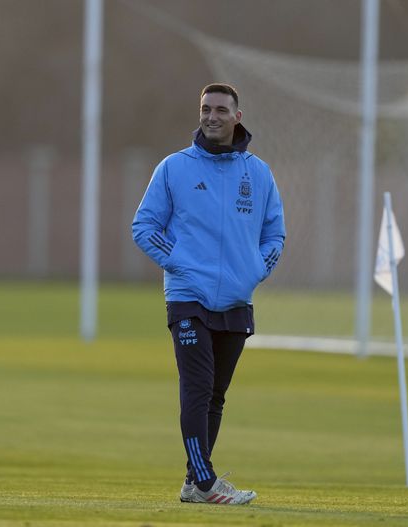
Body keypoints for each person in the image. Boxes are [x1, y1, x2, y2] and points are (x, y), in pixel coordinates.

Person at [132, 83, 285, 505]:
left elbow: (275, 234)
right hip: (188, 297)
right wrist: (181, 263)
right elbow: (143, 227)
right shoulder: (173, 168)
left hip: (236, 299)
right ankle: (204, 483)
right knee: (197, 388)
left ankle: (192, 484)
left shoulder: (259, 173)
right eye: (205, 109)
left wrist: (254, 270)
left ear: (237, 116)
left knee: (216, 395)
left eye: (220, 109)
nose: (211, 116)